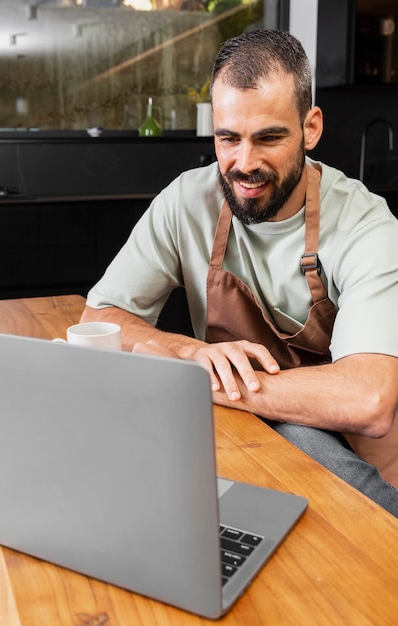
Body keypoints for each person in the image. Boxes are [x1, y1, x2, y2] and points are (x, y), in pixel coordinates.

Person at [81, 29, 398, 516]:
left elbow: (368, 399)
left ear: (311, 128)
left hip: (358, 466)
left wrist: (202, 380)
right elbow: (99, 319)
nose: (244, 164)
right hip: (244, 441)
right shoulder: (188, 200)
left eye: (269, 138)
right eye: (228, 138)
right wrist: (188, 351)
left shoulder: (365, 223)